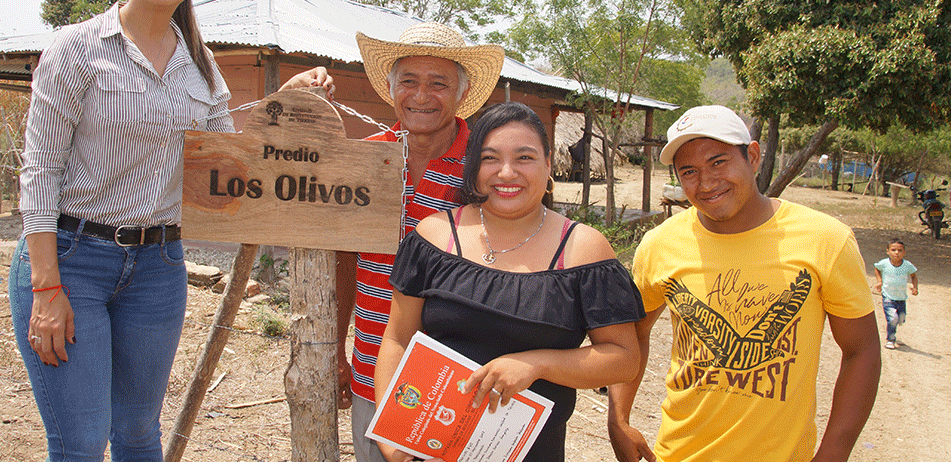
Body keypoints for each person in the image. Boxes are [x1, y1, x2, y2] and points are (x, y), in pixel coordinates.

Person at [8, 0, 331, 460]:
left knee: (138, 435)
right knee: (82, 444)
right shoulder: (76, 50)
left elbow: (226, 163)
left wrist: (285, 102)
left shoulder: (201, 70)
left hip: (157, 269)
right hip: (70, 262)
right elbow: (40, 173)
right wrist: (46, 291)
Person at [607, 105, 881, 462]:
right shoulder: (660, 244)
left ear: (752, 156)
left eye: (718, 162)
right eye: (689, 171)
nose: (705, 183)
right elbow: (632, 334)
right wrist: (619, 419)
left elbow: (862, 350)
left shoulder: (824, 240)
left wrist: (834, 452)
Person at [375, 102, 645, 462]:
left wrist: (536, 364)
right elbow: (397, 338)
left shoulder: (584, 250)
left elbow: (624, 359)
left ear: (548, 166)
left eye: (524, 158)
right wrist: (392, 440)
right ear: (473, 168)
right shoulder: (434, 237)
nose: (506, 172)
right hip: (430, 448)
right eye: (490, 158)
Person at [336, 21, 504, 462]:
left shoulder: (485, 167)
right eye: (408, 81)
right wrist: (338, 348)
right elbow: (343, 259)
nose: (422, 95)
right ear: (391, 90)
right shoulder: (367, 156)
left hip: (460, 374)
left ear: (463, 93)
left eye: (438, 83)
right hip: (374, 361)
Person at [872, 238, 918, 349]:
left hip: (901, 297)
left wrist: (915, 287)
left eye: (900, 250)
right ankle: (890, 339)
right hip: (888, 296)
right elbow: (877, 269)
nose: (897, 253)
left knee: (901, 318)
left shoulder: (907, 265)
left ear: (904, 252)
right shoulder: (884, 263)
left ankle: (896, 325)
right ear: (888, 251)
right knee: (892, 319)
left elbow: (914, 275)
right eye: (893, 250)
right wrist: (879, 282)